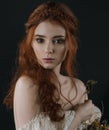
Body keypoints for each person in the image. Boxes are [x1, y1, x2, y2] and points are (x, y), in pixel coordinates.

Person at [4, 1, 101, 130]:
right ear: (31, 43)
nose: (48, 49)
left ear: (69, 44)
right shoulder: (27, 85)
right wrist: (79, 116)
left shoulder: (78, 87)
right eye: (40, 40)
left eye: (58, 41)